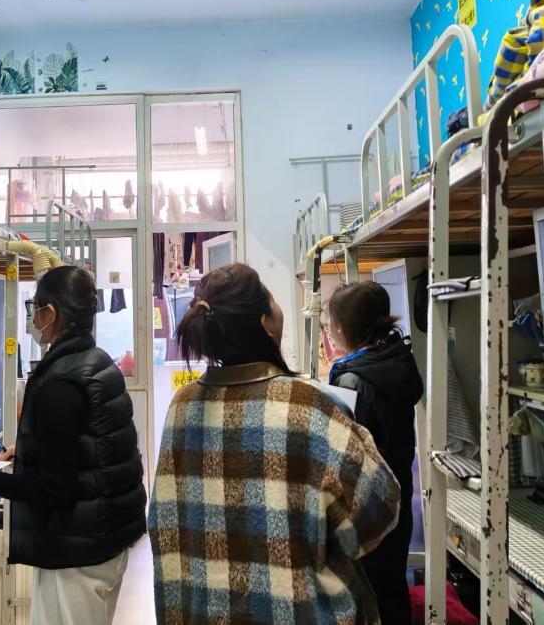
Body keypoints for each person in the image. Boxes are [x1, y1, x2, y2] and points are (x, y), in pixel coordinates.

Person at [148, 263, 401, 625]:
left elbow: (164, 524)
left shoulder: (182, 406)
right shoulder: (309, 405)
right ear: (266, 323)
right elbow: (377, 513)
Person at [0, 265, 146, 625]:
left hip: (76, 551)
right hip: (107, 536)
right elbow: (91, 448)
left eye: (35, 309)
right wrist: (28, 452)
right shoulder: (97, 361)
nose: (33, 320)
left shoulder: (60, 381)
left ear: (50, 313)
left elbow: (56, 489)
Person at [328, 281, 424, 625]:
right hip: (397, 495)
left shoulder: (353, 381)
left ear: (341, 329)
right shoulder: (397, 361)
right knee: (391, 586)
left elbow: (346, 456)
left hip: (364, 509)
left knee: (366, 595)